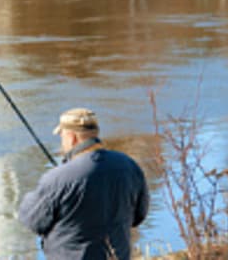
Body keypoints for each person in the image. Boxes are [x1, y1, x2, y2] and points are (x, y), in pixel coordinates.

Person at [18, 108, 149, 260]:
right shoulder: (129, 165)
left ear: (71, 137)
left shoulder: (57, 178)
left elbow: (32, 220)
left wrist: (36, 194)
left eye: (62, 136)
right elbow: (139, 215)